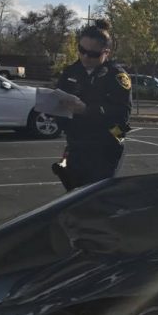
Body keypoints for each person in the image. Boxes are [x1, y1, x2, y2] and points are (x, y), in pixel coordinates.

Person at [51, 20, 132, 191]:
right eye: (82, 51)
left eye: (93, 54)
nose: (85, 57)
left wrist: (87, 110)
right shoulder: (71, 71)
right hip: (77, 143)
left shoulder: (116, 76)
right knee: (73, 194)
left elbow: (122, 114)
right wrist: (54, 110)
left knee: (96, 195)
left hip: (107, 144)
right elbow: (59, 101)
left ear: (106, 53)